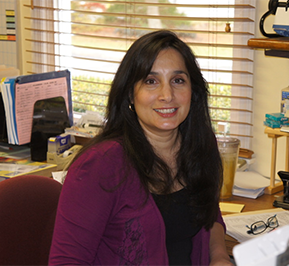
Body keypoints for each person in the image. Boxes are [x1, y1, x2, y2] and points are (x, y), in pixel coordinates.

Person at [48, 30, 234, 266]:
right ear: (130, 94)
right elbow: (66, 261)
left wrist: (219, 258)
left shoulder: (200, 145)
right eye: (150, 81)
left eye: (178, 80)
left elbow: (210, 214)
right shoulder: (100, 165)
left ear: (193, 92)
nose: (167, 95)